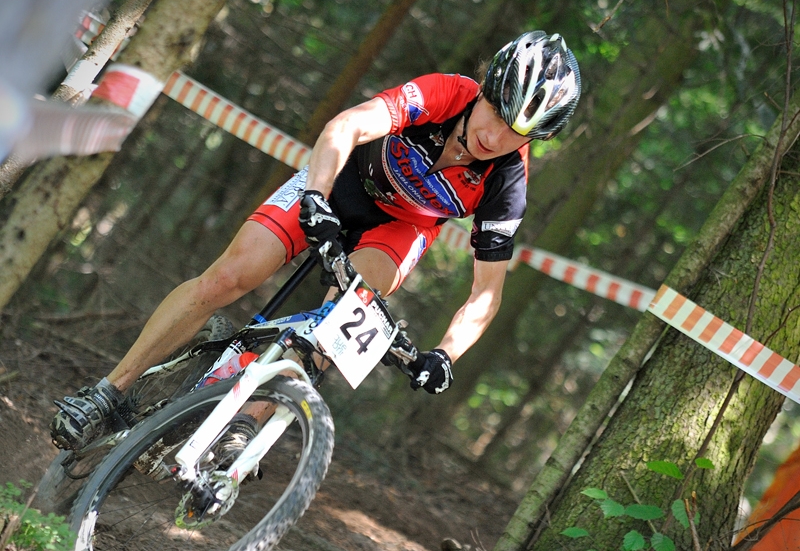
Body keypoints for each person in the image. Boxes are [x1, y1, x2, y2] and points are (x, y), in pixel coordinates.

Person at [50, 31, 582, 452]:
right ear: (485, 90)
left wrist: (446, 354)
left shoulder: (508, 179)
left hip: (399, 229)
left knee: (339, 331)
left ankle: (241, 431)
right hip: (340, 181)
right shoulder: (445, 93)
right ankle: (110, 390)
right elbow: (345, 127)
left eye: (518, 133)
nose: (495, 137)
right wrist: (317, 198)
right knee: (229, 277)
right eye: (497, 114)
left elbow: (486, 293)